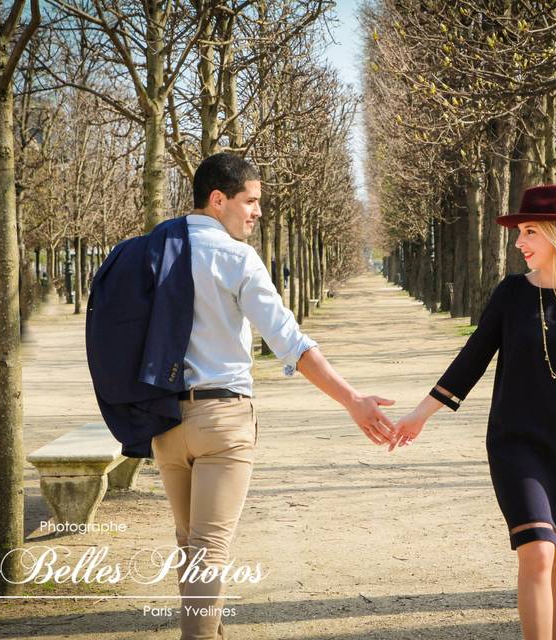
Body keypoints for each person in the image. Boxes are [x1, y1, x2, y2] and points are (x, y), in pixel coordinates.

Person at [152, 153, 396, 640]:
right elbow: (290, 342)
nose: (258, 212)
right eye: (251, 201)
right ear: (218, 200)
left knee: (190, 544)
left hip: (163, 421)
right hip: (222, 422)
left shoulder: (152, 250)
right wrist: (351, 399)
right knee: (209, 550)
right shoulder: (236, 257)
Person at [390, 184, 556, 640]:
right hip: (516, 444)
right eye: (520, 231)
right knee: (538, 551)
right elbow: (471, 359)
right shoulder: (511, 294)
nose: (519, 242)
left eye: (529, 231)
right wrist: (420, 414)